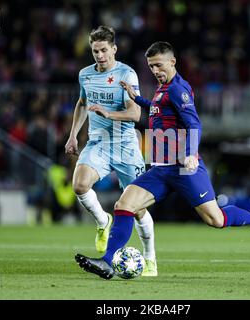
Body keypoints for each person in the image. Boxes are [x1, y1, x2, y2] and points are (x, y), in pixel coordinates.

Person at [75, 42, 250, 279]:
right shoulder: (163, 88)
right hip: (161, 168)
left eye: (159, 65)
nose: (155, 71)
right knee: (124, 205)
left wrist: (192, 154)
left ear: (172, 62)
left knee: (216, 219)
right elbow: (157, 109)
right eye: (151, 66)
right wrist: (137, 99)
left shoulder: (178, 89)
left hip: (185, 168)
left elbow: (194, 123)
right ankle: (107, 262)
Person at [65, 26, 157, 276]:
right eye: (95, 50)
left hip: (126, 146)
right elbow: (82, 103)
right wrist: (73, 134)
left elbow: (136, 113)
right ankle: (103, 221)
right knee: (80, 185)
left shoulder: (126, 74)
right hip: (99, 143)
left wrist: (109, 113)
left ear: (113, 49)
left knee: (137, 209)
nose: (100, 55)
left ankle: (150, 259)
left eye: (104, 50)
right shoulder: (85, 74)